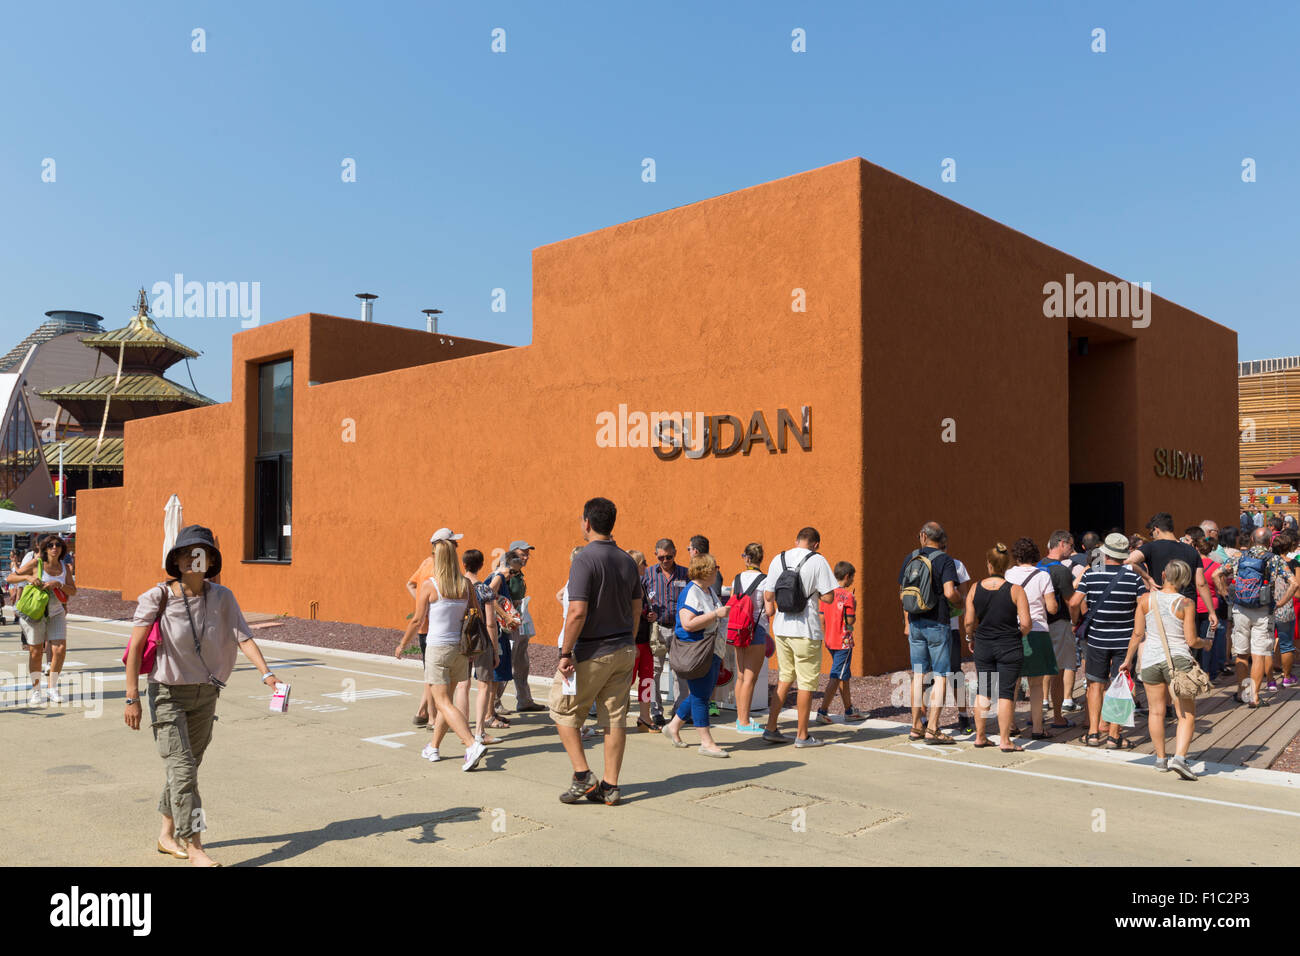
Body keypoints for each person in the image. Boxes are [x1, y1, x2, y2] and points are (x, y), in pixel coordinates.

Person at [122, 524, 279, 867]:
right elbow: (135, 648)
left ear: (210, 561)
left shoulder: (223, 597)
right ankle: (195, 847)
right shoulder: (157, 597)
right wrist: (131, 697)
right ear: (177, 561)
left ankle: (166, 835)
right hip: (167, 694)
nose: (196, 558)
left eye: (202, 552)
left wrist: (266, 673)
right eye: (189, 552)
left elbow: (243, 636)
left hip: (207, 694)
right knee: (182, 771)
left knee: (187, 769)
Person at [552, 497, 641, 806]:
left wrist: (565, 653)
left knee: (563, 711)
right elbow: (637, 609)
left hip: (591, 651)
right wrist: (628, 642)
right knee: (615, 718)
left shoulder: (584, 559)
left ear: (587, 523)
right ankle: (611, 786)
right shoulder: (627, 560)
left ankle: (582, 776)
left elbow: (576, 611)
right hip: (623, 649)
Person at [395, 538, 487, 772]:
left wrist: (402, 644)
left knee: (443, 702)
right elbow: (474, 613)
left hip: (438, 649)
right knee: (447, 702)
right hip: (460, 649)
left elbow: (417, 619)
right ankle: (433, 747)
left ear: (437, 558)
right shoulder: (465, 584)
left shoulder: (430, 585)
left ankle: (471, 744)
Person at [1126, 559, 1209, 779]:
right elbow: (1191, 640)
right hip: (1178, 661)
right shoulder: (1186, 604)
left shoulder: (1145, 599)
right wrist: (1206, 643)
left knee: (1156, 711)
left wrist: (1127, 660)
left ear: (1163, 575)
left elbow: (1137, 634)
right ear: (1185, 579)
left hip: (1151, 660)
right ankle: (1180, 758)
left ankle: (1161, 758)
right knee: (1186, 713)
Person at [1071, 533, 1149, 748]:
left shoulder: (1091, 575)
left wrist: (1076, 620)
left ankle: (1094, 733)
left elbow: (1075, 601)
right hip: (1125, 640)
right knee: (1121, 685)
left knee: (1095, 685)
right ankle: (1114, 735)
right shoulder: (1133, 577)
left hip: (1097, 639)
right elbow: (1143, 605)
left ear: (1105, 552)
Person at [762, 527, 837, 747]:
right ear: (816, 544)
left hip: (782, 628)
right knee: (806, 682)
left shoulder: (779, 558)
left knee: (785, 678)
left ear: (796, 541)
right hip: (806, 629)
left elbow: (768, 594)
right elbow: (829, 597)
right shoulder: (818, 560)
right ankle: (803, 735)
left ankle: (771, 727)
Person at [1214, 527, 1297, 707]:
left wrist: (1225, 595)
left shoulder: (1239, 558)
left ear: (1252, 539)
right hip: (1263, 611)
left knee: (1242, 655)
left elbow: (1216, 574)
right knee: (1258, 654)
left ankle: (1243, 692)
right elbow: (1294, 583)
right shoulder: (1274, 559)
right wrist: (1281, 603)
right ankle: (1255, 697)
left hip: (1240, 609)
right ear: (1269, 542)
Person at [897, 521, 961, 744]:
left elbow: (903, 593)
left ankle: (916, 726)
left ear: (923, 536)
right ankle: (933, 727)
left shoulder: (911, 558)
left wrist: (907, 621)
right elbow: (949, 592)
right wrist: (960, 602)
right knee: (942, 675)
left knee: (918, 675)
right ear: (942, 539)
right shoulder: (945, 560)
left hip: (915, 622)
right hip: (937, 623)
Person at [662, 553, 730, 756]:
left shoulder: (708, 591)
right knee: (701, 696)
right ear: (706, 571)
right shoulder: (692, 592)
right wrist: (715, 614)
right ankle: (706, 742)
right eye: (715, 567)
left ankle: (673, 727)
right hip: (697, 649)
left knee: (701, 693)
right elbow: (687, 623)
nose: (718, 570)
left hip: (710, 649)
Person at [965, 543, 1031, 752]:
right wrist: (1018, 634)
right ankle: (1005, 740)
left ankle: (980, 736)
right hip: (1009, 645)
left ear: (989, 564)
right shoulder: (1015, 590)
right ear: (1007, 565)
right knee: (1005, 692)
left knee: (983, 689)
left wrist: (970, 637)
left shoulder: (975, 588)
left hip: (984, 643)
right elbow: (1027, 623)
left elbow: (968, 621)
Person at [9, 535, 77, 704]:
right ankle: (36, 690)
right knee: (36, 652)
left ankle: (52, 688)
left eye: (58, 545)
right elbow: (10, 578)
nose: (55, 548)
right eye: (51, 545)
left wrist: (59, 584)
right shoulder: (36, 563)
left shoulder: (64, 567)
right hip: (35, 612)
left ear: (62, 549)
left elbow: (73, 591)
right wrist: (27, 578)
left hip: (56, 612)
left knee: (59, 649)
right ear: (45, 548)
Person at [406, 528, 464, 727]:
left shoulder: (426, 563)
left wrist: (423, 605)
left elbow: (411, 584)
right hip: (438, 633)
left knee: (432, 677)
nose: (456, 546)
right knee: (437, 683)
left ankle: (423, 713)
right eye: (453, 543)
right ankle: (432, 717)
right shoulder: (443, 569)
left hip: (433, 631)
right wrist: (427, 607)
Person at [1126, 513, 1218, 636]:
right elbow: (1201, 584)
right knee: (1188, 646)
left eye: (1151, 533)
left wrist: (1148, 578)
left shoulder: (1151, 547)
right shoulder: (1191, 550)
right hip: (1186, 607)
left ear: (1156, 529)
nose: (1152, 536)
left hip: (1160, 607)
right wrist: (1211, 612)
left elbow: (1129, 561)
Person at [643, 538, 689, 727]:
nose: (665, 561)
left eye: (669, 557)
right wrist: (647, 613)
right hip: (658, 630)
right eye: (661, 557)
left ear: (675, 553)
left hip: (679, 629)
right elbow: (638, 597)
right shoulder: (648, 574)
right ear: (656, 555)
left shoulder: (685, 574)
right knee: (654, 671)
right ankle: (656, 711)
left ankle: (680, 712)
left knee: (681, 672)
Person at [460, 549, 503, 746]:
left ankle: (464, 733)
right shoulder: (484, 590)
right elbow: (490, 623)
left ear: (464, 564)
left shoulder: (458, 588)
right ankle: (479, 732)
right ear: (481, 564)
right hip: (482, 640)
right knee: (484, 684)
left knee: (462, 685)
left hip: (462, 639)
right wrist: (495, 650)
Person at [728, 542, 770, 734]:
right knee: (750, 678)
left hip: (737, 629)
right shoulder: (765, 580)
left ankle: (740, 717)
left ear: (746, 557)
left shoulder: (737, 578)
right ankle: (743, 722)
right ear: (761, 558)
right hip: (756, 629)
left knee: (741, 676)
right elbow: (769, 609)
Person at [1040, 530, 1080, 724]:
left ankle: (1037, 715)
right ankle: (1057, 717)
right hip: (1059, 624)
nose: (1072, 550)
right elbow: (1071, 602)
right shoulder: (1062, 570)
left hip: (1038, 624)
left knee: (1038, 672)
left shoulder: (1038, 566)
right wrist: (1075, 622)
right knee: (1059, 670)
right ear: (1062, 543)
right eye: (1071, 546)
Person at [816, 561, 860, 724]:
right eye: (852, 578)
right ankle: (822, 711)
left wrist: (827, 632)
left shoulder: (825, 594)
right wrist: (854, 606)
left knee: (844, 676)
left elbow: (821, 617)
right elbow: (850, 622)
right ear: (847, 576)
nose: (852, 581)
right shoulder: (848, 596)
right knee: (836, 676)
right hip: (843, 642)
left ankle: (849, 710)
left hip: (829, 639)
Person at [939, 534, 974, 734]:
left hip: (927, 627)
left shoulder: (919, 561)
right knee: (954, 674)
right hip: (949, 626)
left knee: (927, 675)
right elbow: (964, 597)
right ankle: (963, 718)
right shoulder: (956, 565)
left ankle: (924, 721)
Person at [506, 540, 546, 712]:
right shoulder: (506, 574)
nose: (527, 557)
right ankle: (494, 705)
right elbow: (494, 598)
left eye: (527, 554)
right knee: (507, 664)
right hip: (509, 626)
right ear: (513, 555)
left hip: (520, 623)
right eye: (523, 554)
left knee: (522, 663)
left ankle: (524, 700)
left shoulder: (519, 575)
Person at [625, 549, 660, 733]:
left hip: (646, 641)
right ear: (636, 565)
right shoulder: (625, 586)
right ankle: (614, 719)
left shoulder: (642, 585)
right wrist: (630, 642)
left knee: (647, 679)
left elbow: (641, 610)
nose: (647, 565)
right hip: (632, 641)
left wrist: (651, 615)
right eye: (644, 562)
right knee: (625, 680)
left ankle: (644, 717)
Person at [487, 553, 523, 720]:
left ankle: (491, 712)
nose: (513, 575)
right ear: (504, 566)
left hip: (500, 632)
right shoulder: (498, 577)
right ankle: (489, 714)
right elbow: (490, 598)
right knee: (494, 676)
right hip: (495, 633)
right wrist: (507, 616)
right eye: (513, 572)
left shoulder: (502, 578)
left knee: (498, 674)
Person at [1191, 534, 1227, 681]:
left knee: (1193, 639)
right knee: (1209, 640)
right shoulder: (1217, 567)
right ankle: (1209, 673)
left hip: (1193, 605)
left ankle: (1195, 672)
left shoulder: (1191, 566)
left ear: (1196, 548)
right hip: (1211, 606)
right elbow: (1222, 590)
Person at [1268, 533, 1298, 689]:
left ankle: (1270, 680)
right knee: (1286, 645)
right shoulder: (1293, 564)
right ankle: (1287, 678)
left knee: (1267, 646)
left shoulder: (1267, 563)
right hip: (1285, 608)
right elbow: (1297, 589)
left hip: (1267, 608)